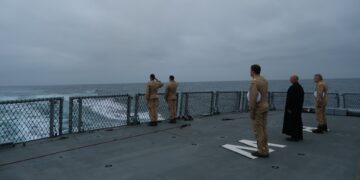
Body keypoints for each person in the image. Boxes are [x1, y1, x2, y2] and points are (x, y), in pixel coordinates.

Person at [248, 64, 269, 158]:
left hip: (258, 109)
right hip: (265, 107)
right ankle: (265, 148)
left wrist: (252, 111)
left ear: (252, 71)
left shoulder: (254, 82)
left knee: (258, 130)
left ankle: (261, 150)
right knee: (263, 129)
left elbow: (253, 98)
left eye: (250, 70)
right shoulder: (264, 80)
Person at [282, 75, 305, 141]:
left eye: (291, 79)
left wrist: (289, 108)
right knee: (298, 122)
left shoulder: (293, 88)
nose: (290, 80)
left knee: (293, 122)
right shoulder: (300, 87)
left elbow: (292, 99)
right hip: (298, 108)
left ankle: (294, 136)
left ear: (295, 79)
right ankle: (299, 135)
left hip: (293, 109)